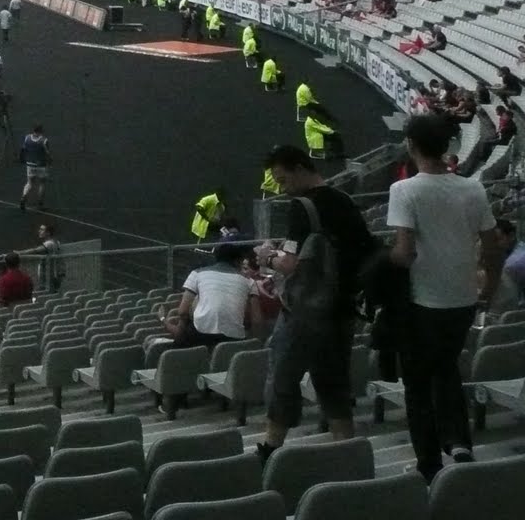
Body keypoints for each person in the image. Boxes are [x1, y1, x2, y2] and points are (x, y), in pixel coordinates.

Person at [386, 113, 506, 481]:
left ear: (411, 145)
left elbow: (404, 254)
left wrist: (377, 260)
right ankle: (459, 442)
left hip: (425, 303)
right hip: (463, 299)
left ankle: (429, 465)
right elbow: (491, 247)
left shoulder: (404, 191)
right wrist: (487, 288)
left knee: (418, 384)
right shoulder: (472, 188)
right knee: (447, 368)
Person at [253, 145, 378, 465]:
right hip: (342, 308)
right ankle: (345, 447)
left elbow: (291, 264)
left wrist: (267, 255)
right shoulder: (345, 202)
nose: (282, 188)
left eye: (283, 180)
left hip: (305, 312)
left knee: (282, 375)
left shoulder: (303, 207)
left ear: (298, 169)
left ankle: (271, 447)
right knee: (333, 381)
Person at [163, 242, 259, 347]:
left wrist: (164, 320)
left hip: (200, 335)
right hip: (235, 340)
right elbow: (256, 320)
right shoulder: (250, 282)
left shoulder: (197, 274)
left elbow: (182, 312)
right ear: (239, 261)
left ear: (215, 257)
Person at [19, 124, 51, 211]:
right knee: (42, 184)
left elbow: (23, 150)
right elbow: (47, 153)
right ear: (41, 131)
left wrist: (22, 159)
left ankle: (24, 196)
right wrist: (50, 161)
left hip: (30, 164)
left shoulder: (27, 138)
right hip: (41, 165)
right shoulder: (44, 140)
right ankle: (40, 203)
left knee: (29, 183)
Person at [36, 222, 65, 293]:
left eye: (42, 230)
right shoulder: (56, 242)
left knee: (46, 293)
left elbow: (35, 251)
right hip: (55, 273)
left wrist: (19, 253)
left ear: (48, 233)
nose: (39, 231)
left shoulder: (49, 244)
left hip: (49, 276)